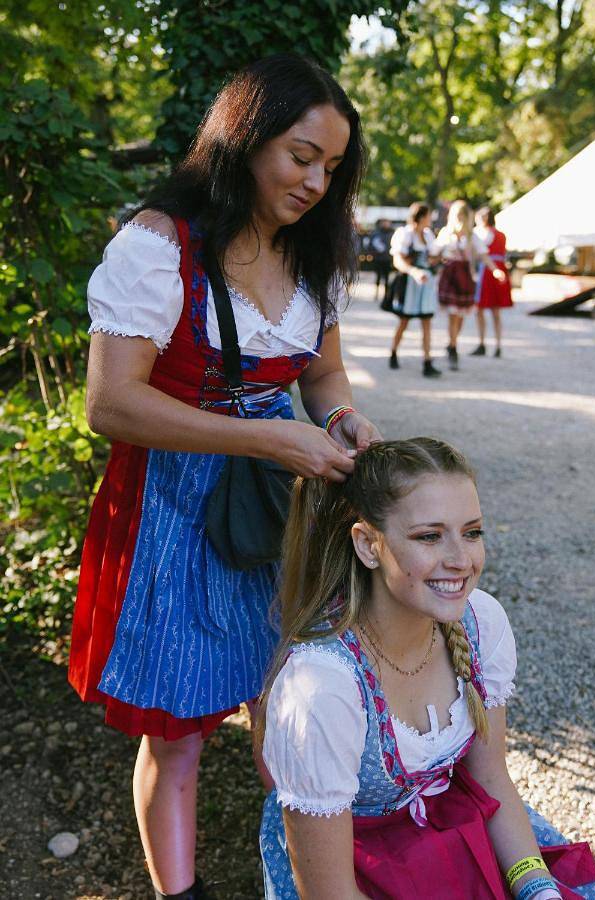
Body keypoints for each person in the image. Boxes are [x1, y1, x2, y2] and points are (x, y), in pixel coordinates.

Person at [68, 54, 381, 900]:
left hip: (278, 507)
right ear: (244, 141)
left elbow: (321, 377)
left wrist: (341, 418)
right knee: (178, 737)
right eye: (301, 155)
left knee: (289, 701)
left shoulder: (310, 257)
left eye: (332, 165)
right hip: (170, 510)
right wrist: (267, 443)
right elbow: (112, 405)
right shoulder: (157, 246)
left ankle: (305, 872)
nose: (318, 181)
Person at [258, 438, 595, 899]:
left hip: (457, 824)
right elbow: (329, 892)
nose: (461, 560)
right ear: (368, 544)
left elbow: (491, 777)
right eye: (429, 536)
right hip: (355, 866)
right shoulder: (322, 686)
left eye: (473, 532)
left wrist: (537, 889)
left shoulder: (480, 623)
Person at [437, 200, 506, 370]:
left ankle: (452, 342)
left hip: (464, 277)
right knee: (453, 315)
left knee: (460, 316)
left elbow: (484, 255)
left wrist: (495, 270)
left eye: (463, 215)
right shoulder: (447, 233)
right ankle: (453, 348)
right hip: (451, 276)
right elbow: (435, 252)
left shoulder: (471, 236)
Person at [387, 202, 441, 377]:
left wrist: (437, 259)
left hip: (425, 284)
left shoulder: (427, 235)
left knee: (427, 322)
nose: (430, 219)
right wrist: (414, 271)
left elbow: (431, 257)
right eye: (428, 215)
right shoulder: (405, 234)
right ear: (421, 216)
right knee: (404, 322)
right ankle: (393, 352)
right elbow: (398, 260)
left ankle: (427, 361)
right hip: (410, 284)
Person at [472, 205, 514, 358]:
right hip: (498, 270)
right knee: (495, 312)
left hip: (487, 273)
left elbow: (478, 255)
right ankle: (497, 344)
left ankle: (483, 343)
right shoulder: (501, 235)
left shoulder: (480, 234)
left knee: (481, 309)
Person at [369, 218, 394, 300]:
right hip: (378, 259)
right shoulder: (376, 233)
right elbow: (370, 246)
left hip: (388, 259)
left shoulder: (392, 233)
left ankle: (386, 295)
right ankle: (376, 293)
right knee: (378, 277)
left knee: (387, 278)